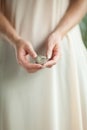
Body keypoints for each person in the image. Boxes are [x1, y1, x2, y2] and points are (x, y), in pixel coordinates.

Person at [0, 0, 87, 130]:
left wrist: (59, 33)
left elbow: (82, 2)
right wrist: (16, 39)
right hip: (10, 53)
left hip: (64, 51)